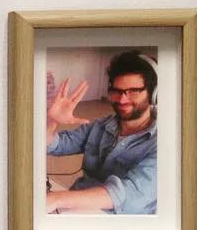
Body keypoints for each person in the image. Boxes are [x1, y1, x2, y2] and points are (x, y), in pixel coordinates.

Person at [46, 50, 158, 215]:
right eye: (116, 91)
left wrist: (58, 198)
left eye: (133, 91)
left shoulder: (164, 143)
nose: (122, 100)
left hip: (121, 220)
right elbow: (55, 146)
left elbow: (129, 194)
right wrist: (52, 121)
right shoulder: (101, 126)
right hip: (76, 206)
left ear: (153, 94)